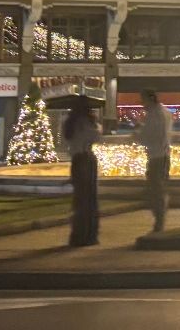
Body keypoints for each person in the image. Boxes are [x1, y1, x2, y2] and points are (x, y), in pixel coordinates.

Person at [61, 95, 100, 247]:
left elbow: (69, 140)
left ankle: (78, 234)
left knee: (79, 198)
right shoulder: (87, 122)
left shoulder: (70, 122)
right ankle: (89, 235)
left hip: (76, 160)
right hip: (87, 158)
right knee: (89, 199)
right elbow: (96, 137)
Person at [134, 88, 173, 232]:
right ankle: (160, 219)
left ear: (150, 99)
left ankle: (159, 220)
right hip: (163, 155)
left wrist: (137, 133)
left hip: (156, 156)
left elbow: (150, 136)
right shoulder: (164, 112)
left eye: (143, 100)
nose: (142, 104)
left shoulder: (154, 115)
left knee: (155, 190)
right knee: (159, 188)